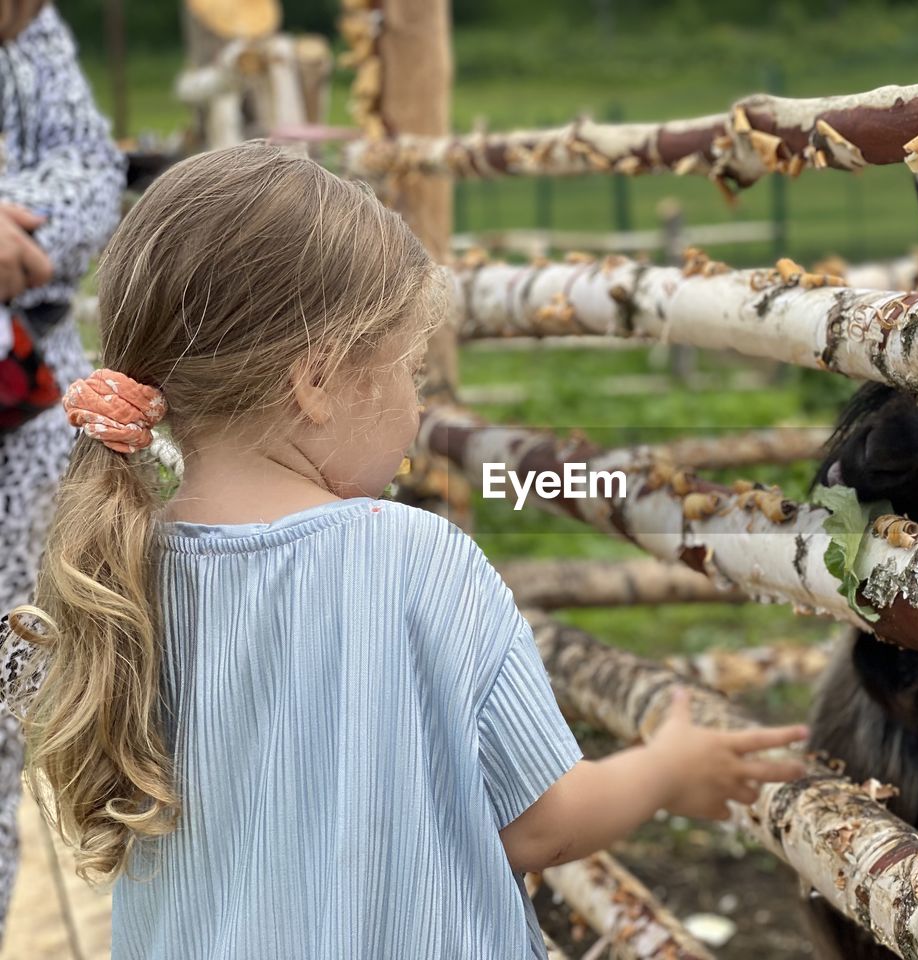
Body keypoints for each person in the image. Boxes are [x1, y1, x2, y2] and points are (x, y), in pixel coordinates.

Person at [9, 141, 808, 959]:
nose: (417, 406)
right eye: (412, 371)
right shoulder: (418, 562)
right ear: (317, 380)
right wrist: (668, 772)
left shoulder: (123, 568)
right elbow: (542, 825)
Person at [0, 0, 126, 934]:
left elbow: (90, 169)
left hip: (28, 400)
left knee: (25, 684)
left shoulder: (34, 39)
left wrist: (17, 238)